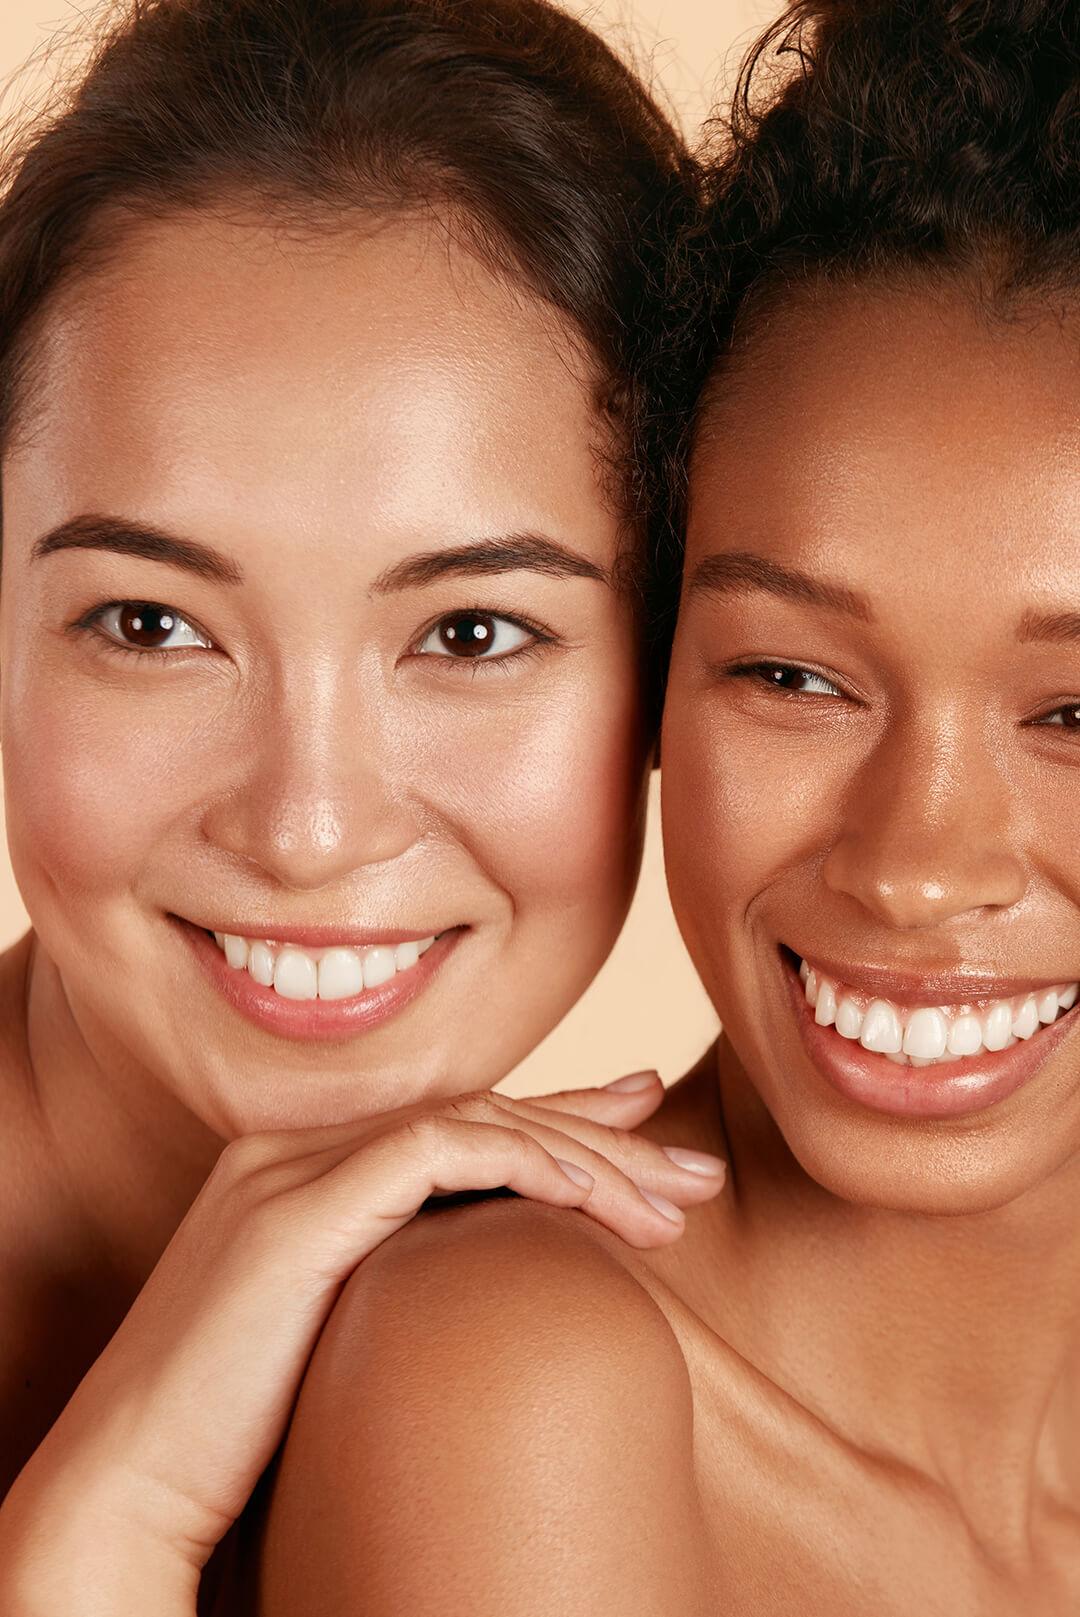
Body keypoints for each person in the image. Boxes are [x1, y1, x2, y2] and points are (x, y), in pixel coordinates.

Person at [279, 1, 1080, 1611]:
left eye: (1076, 712)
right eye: (791, 676)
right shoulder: (516, 1374)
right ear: (649, 680)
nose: (918, 866)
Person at [0, 2, 727, 1610]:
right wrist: (94, 1532)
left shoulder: (617, 1366)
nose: (308, 827)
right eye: (150, 624)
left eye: (471, 635)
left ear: (679, 658)